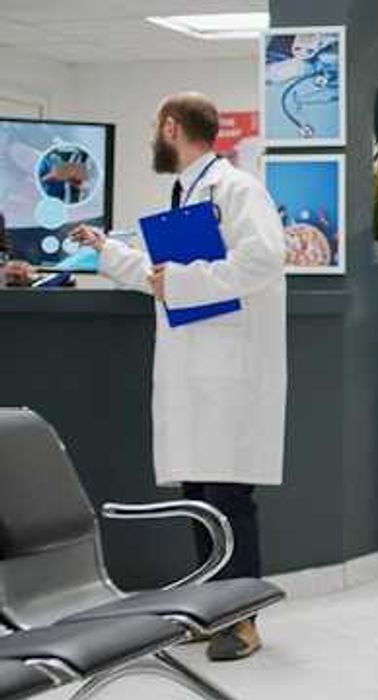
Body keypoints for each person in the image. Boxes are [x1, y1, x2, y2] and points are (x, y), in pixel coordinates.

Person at [71, 92, 287, 662]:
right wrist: (107, 251)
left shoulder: (237, 189)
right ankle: (212, 612)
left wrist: (186, 280)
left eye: (154, 127)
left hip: (230, 372)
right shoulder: (187, 192)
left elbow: (265, 257)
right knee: (199, 496)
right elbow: (163, 278)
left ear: (171, 127)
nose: (152, 138)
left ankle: (242, 621)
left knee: (227, 497)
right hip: (196, 374)